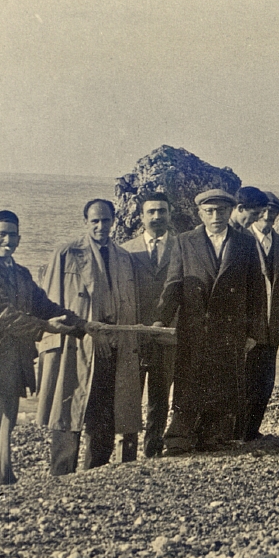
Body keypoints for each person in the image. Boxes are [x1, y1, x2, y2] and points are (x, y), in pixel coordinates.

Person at [0, 211, 84, 494]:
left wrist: (75, 321)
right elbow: (0, 314)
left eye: (13, 235)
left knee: (4, 427)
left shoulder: (19, 273)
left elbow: (42, 304)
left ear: (20, 238)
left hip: (14, 362)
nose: (8, 240)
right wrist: (45, 327)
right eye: (1, 234)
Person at [38, 199, 142, 474]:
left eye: (105, 220)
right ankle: (61, 473)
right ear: (85, 222)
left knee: (105, 411)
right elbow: (50, 304)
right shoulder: (67, 253)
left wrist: (117, 336)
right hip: (78, 343)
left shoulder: (123, 257)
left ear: (113, 222)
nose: (100, 226)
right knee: (69, 409)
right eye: (94, 221)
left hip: (114, 343)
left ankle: (95, 471)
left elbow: (128, 303)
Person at [159, 189, 267, 453]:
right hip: (195, 327)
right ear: (200, 214)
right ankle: (179, 440)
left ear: (230, 211)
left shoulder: (245, 243)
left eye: (221, 211)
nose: (216, 216)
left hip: (230, 329)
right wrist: (161, 320)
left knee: (223, 382)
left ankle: (213, 437)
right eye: (209, 211)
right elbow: (173, 284)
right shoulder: (185, 241)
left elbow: (256, 290)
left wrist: (253, 331)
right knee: (188, 383)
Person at [120, 192, 177, 457]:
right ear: (141, 216)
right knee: (130, 394)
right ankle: (127, 451)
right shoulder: (127, 250)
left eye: (162, 211)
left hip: (167, 334)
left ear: (169, 214)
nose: (157, 217)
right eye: (151, 212)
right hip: (135, 334)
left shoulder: (181, 248)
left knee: (160, 394)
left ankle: (153, 449)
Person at [241, 191, 279, 441]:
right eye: (264, 210)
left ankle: (252, 430)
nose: (268, 216)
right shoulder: (242, 239)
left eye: (273, 212)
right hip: (248, 325)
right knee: (243, 379)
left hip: (274, 324)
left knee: (266, 381)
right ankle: (236, 430)